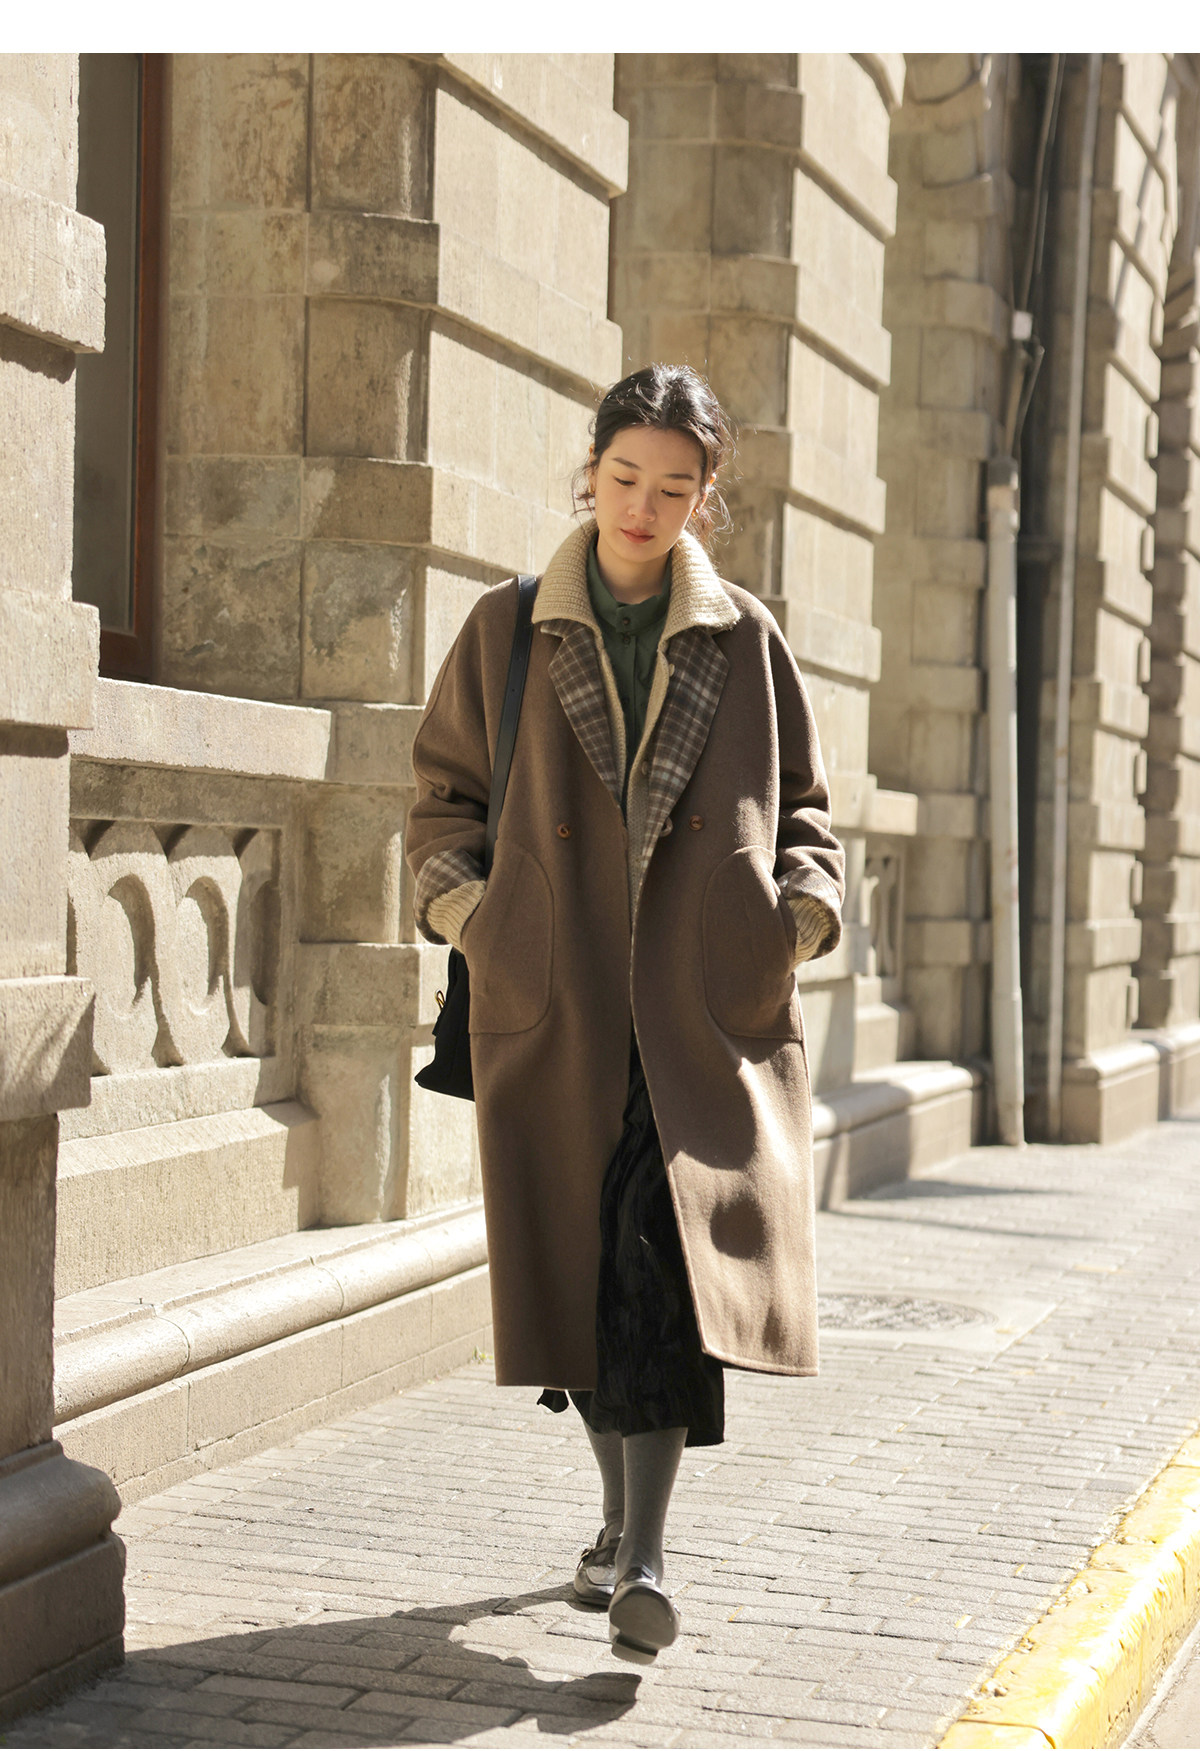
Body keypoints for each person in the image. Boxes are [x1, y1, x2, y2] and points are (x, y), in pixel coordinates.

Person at [406, 364, 845, 1661]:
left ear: (708, 497)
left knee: (664, 1258)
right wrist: (478, 918)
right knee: (587, 1273)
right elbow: (440, 803)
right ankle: (613, 1530)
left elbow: (807, 812)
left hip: (703, 1013)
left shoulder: (745, 639)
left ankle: (645, 1557)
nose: (644, 507)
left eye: (674, 486)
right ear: (589, 474)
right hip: (561, 999)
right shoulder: (507, 628)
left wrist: (796, 919)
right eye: (624, 478)